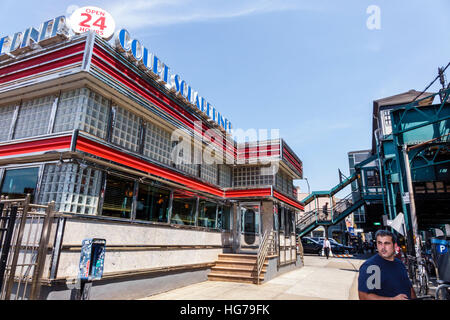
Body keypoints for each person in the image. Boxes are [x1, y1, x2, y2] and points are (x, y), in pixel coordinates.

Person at [358, 229, 417, 300]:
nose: (383, 247)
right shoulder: (373, 267)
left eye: (386, 243)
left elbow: (409, 289)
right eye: (380, 243)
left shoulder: (399, 264)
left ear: (395, 246)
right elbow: (364, 296)